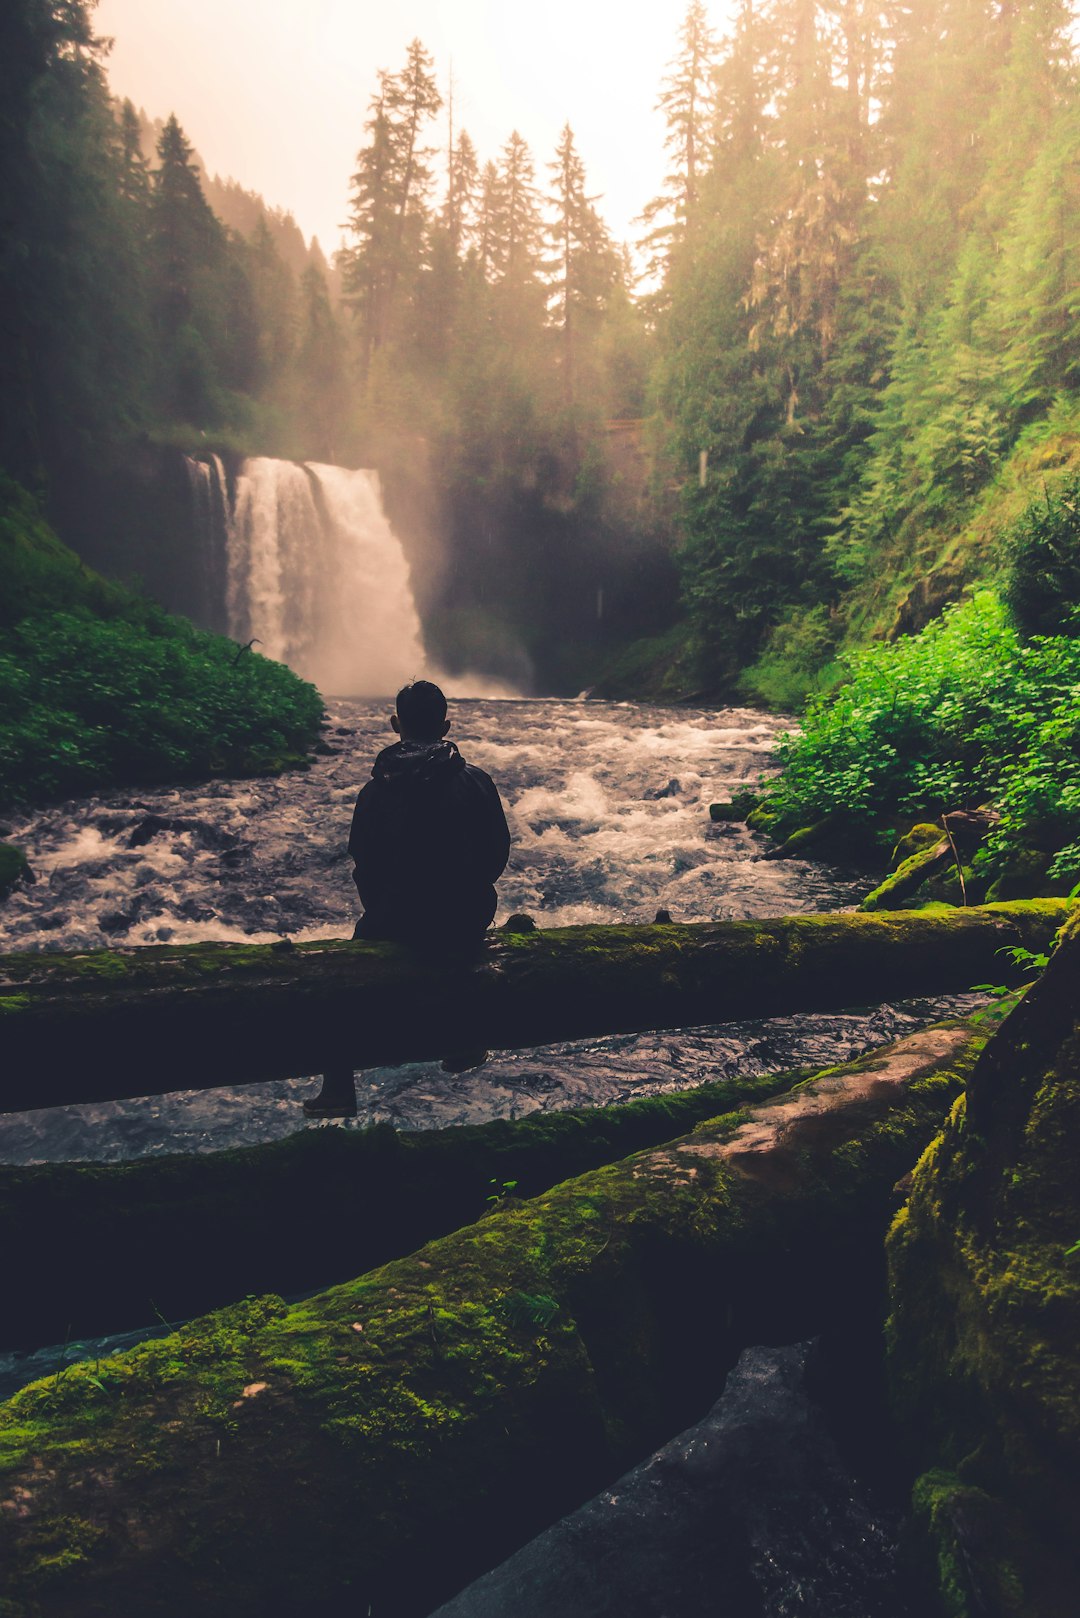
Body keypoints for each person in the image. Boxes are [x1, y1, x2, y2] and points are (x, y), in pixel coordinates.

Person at [303, 679, 511, 1117]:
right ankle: (465, 1043)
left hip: (394, 915)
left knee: (338, 987)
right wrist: (469, 894)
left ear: (395, 723)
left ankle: (339, 1088)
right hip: (464, 916)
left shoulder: (376, 790)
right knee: (464, 962)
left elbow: (364, 862)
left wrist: (385, 909)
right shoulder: (476, 781)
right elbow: (497, 854)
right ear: (447, 724)